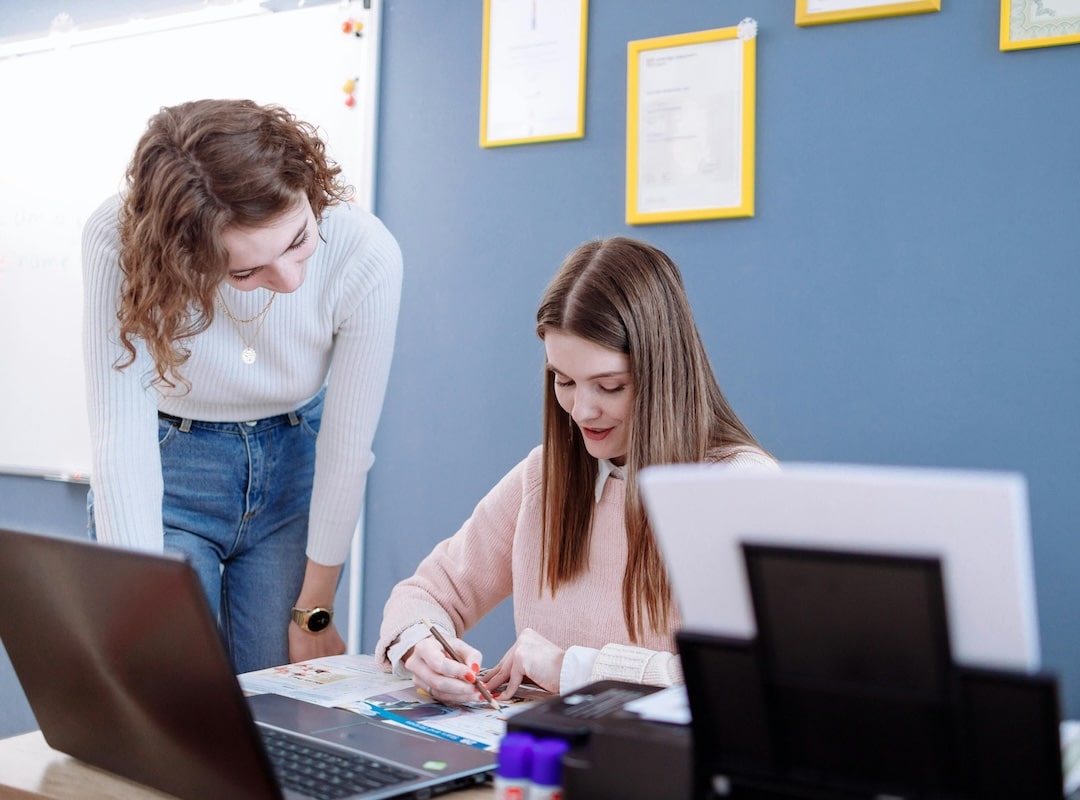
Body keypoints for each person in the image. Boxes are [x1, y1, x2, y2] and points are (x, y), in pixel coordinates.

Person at [374, 236, 773, 704]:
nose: (582, 410)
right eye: (563, 381)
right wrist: (421, 645)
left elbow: (753, 679)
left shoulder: (742, 488)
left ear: (663, 373)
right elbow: (427, 591)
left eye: (609, 386)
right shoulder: (544, 475)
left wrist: (572, 668)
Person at [82, 98, 403, 673]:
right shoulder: (119, 240)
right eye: (245, 272)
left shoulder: (365, 251)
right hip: (169, 469)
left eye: (298, 240)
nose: (290, 280)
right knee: (170, 687)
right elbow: (119, 441)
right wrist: (137, 609)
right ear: (183, 258)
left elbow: (346, 448)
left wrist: (316, 613)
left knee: (284, 695)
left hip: (293, 465)